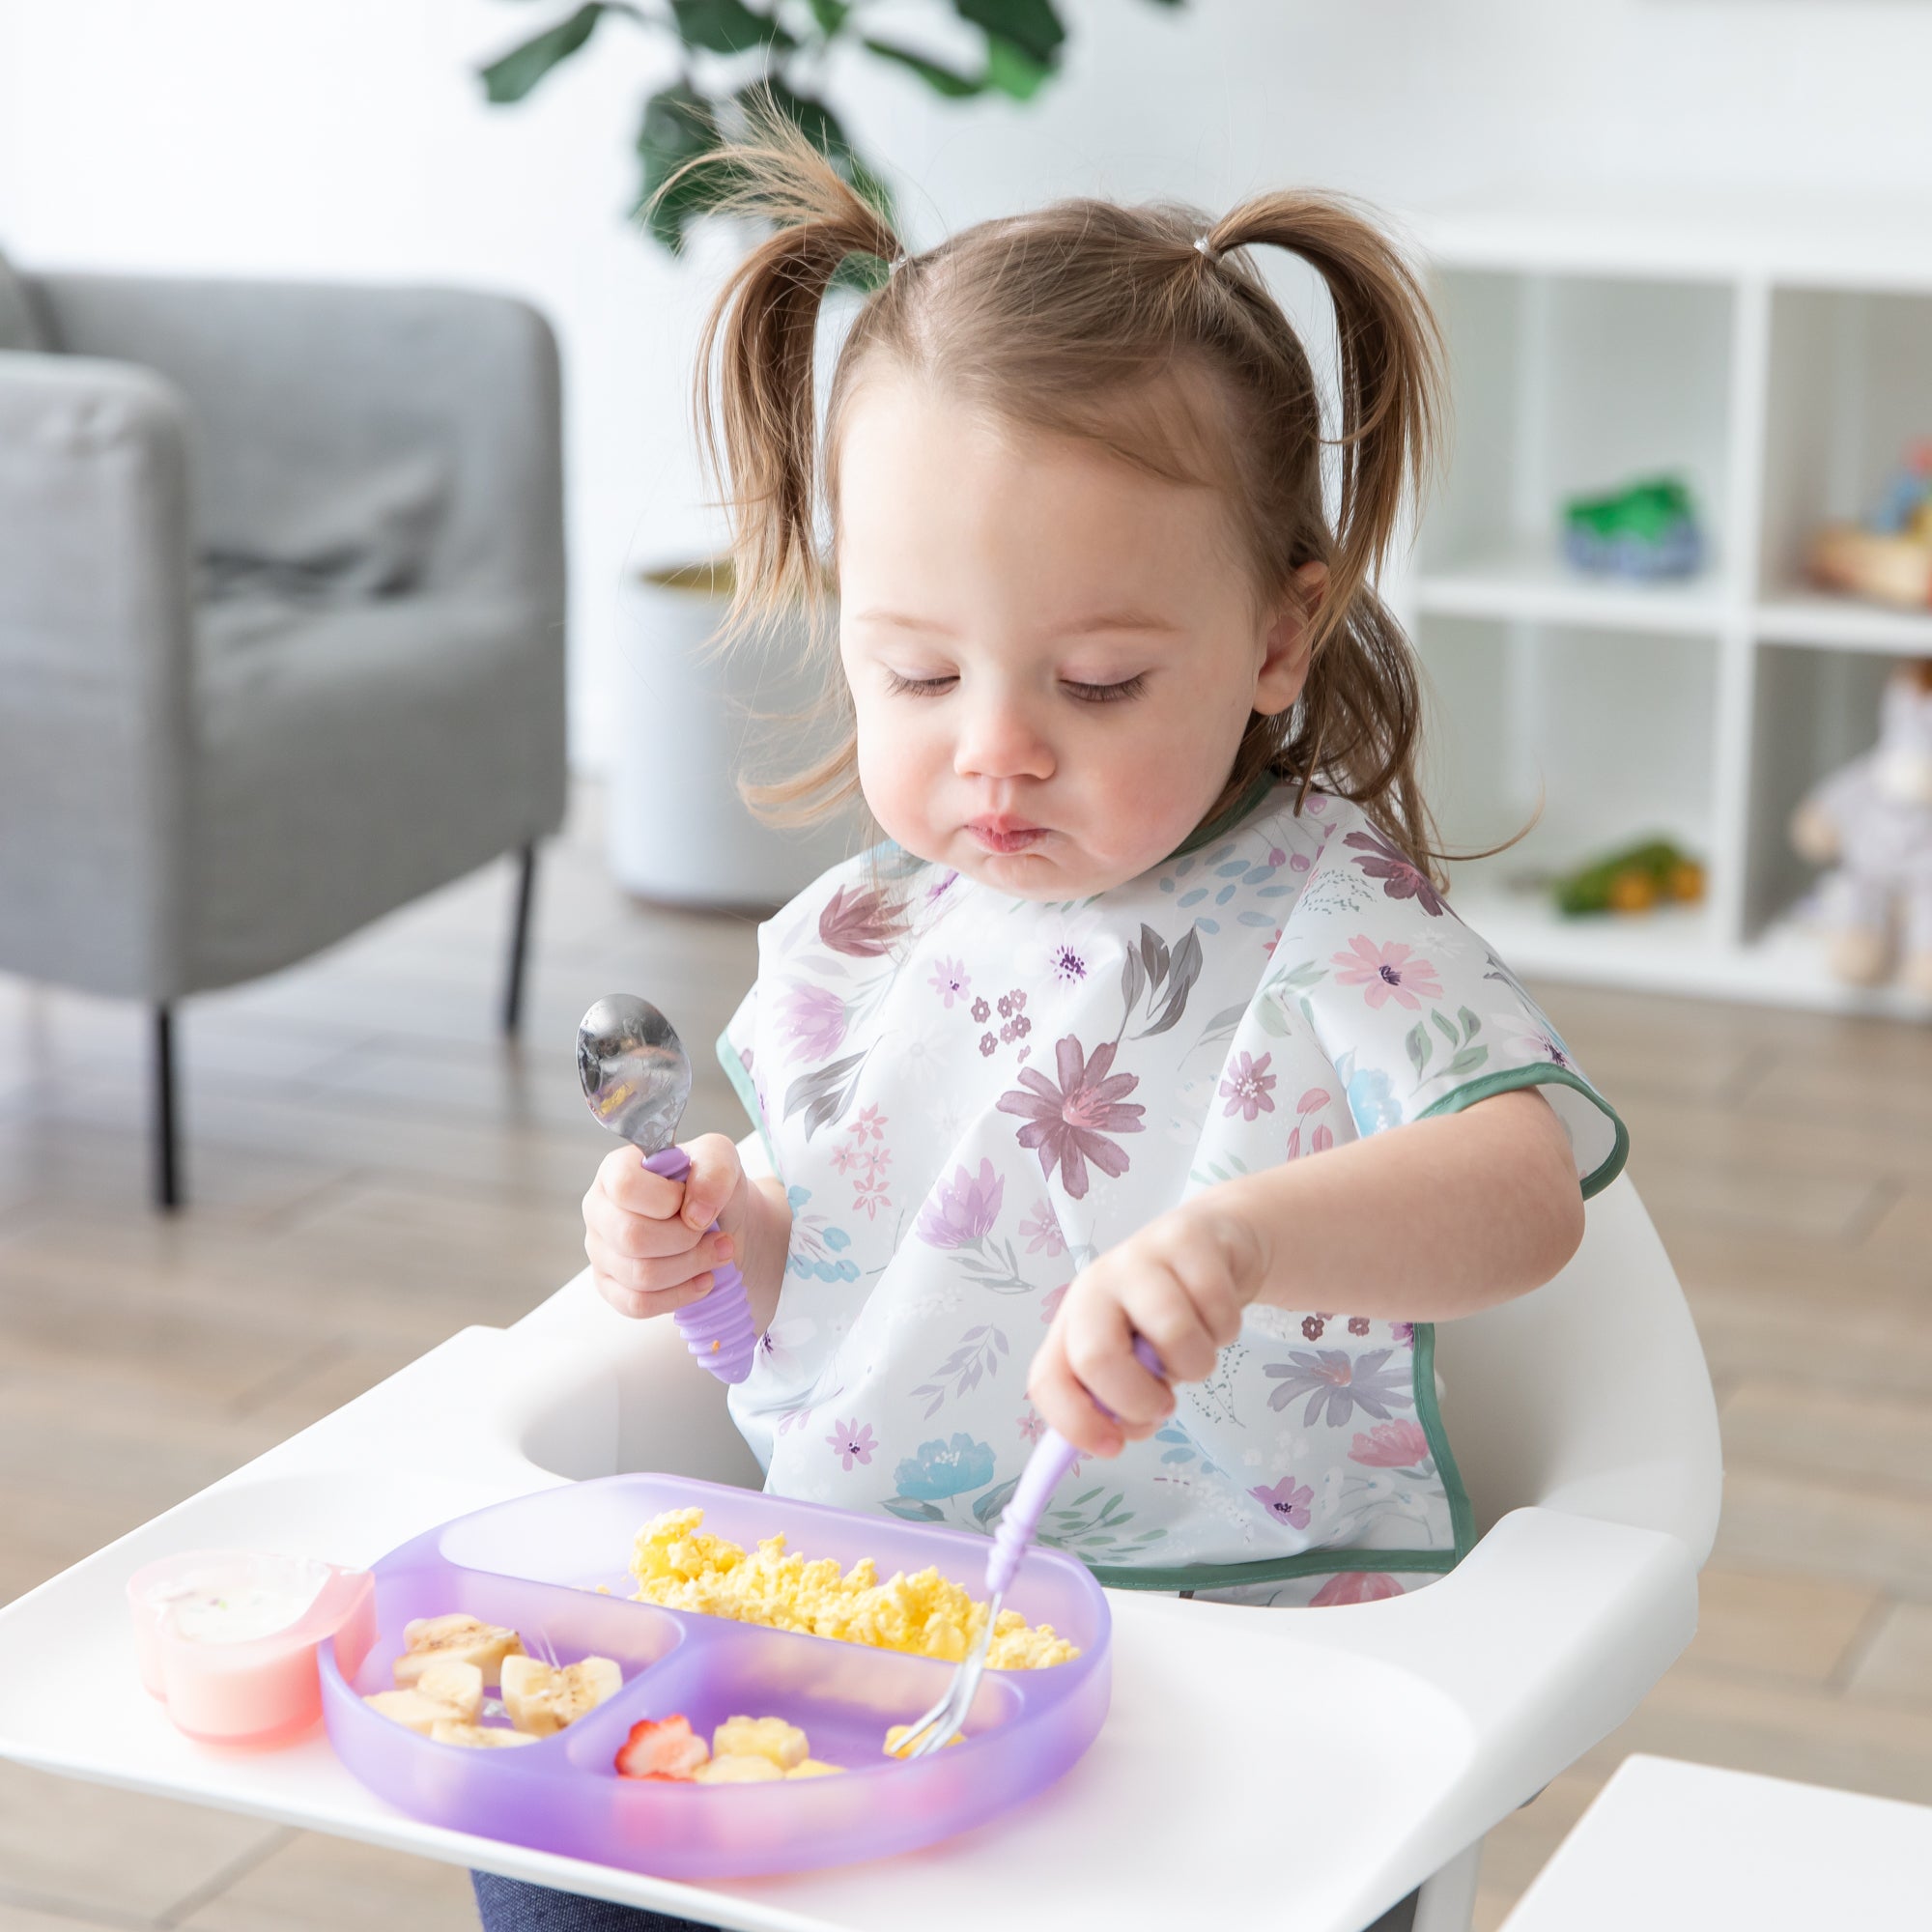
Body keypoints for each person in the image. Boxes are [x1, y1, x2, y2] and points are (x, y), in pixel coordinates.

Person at [479, 114, 1625, 1932]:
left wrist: (1245, 1240)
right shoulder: (865, 931)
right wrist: (711, 1240)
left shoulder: (1330, 924)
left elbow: (1525, 1198)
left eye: (1097, 682)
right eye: (919, 671)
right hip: (871, 1625)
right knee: (547, 1866)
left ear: (1277, 639)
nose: (996, 748)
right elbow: (842, 1274)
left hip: (1226, 1668)